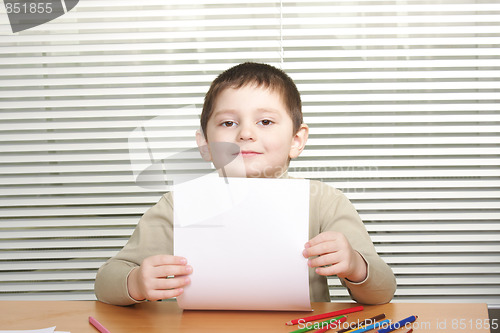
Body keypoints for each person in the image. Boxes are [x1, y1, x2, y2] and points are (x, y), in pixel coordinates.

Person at [94, 62, 396, 306]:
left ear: (296, 140)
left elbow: (382, 291)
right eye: (228, 123)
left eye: (265, 121)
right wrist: (136, 282)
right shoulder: (180, 204)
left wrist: (355, 266)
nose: (246, 134)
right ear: (205, 145)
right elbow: (107, 281)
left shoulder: (323, 202)